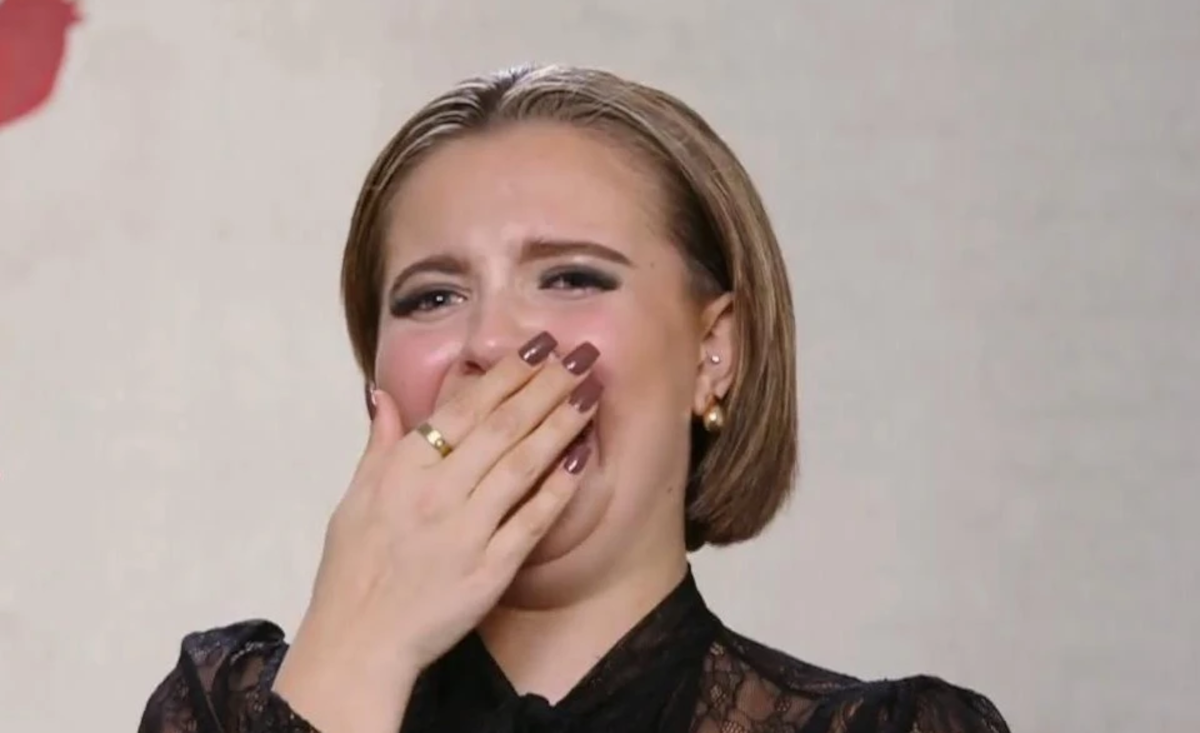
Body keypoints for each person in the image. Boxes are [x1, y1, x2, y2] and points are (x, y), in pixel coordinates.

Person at [136, 64, 1010, 733]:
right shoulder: (223, 711)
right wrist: (357, 653)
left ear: (715, 351)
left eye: (572, 277)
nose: (489, 342)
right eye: (432, 296)